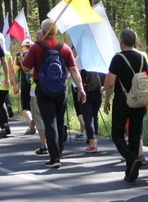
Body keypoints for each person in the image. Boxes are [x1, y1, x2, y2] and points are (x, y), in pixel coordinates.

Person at [22, 19, 84, 169]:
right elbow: (74, 70)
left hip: (43, 89)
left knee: (49, 122)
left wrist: (22, 60)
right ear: (56, 32)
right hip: (61, 89)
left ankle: (55, 157)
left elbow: (25, 68)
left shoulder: (36, 47)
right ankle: (59, 150)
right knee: (59, 119)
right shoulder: (65, 48)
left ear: (43, 32)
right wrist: (81, 88)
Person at [103, 29, 148, 181]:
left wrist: (106, 101)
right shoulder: (142, 57)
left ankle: (131, 159)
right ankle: (131, 174)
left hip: (122, 100)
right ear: (135, 41)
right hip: (139, 100)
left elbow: (110, 83)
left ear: (121, 41)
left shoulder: (118, 58)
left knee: (117, 134)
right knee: (135, 135)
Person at [0, 32, 17, 138]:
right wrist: (14, 84)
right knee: (4, 98)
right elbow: (11, 71)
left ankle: (4, 126)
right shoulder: (7, 54)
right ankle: (9, 105)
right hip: (5, 82)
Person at [80, 69, 104, 153]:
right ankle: (94, 136)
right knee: (95, 115)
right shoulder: (99, 66)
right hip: (98, 94)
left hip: (87, 93)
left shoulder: (84, 66)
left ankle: (93, 143)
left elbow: (80, 81)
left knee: (88, 118)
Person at [15, 38, 35, 134]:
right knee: (35, 106)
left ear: (23, 47)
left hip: (25, 84)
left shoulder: (21, 56)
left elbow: (15, 70)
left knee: (26, 107)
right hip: (35, 83)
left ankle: (31, 122)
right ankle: (35, 122)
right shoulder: (35, 54)